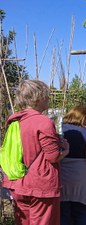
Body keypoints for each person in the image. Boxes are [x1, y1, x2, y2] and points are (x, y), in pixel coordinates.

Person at [2, 79, 70, 225]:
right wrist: (65, 149)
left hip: (18, 182)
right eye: (46, 95)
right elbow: (52, 156)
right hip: (40, 185)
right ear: (38, 97)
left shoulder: (15, 121)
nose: (48, 99)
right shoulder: (43, 122)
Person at [60, 106, 86, 225]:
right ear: (82, 118)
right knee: (81, 212)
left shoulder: (59, 129)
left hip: (61, 173)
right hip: (79, 175)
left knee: (62, 213)